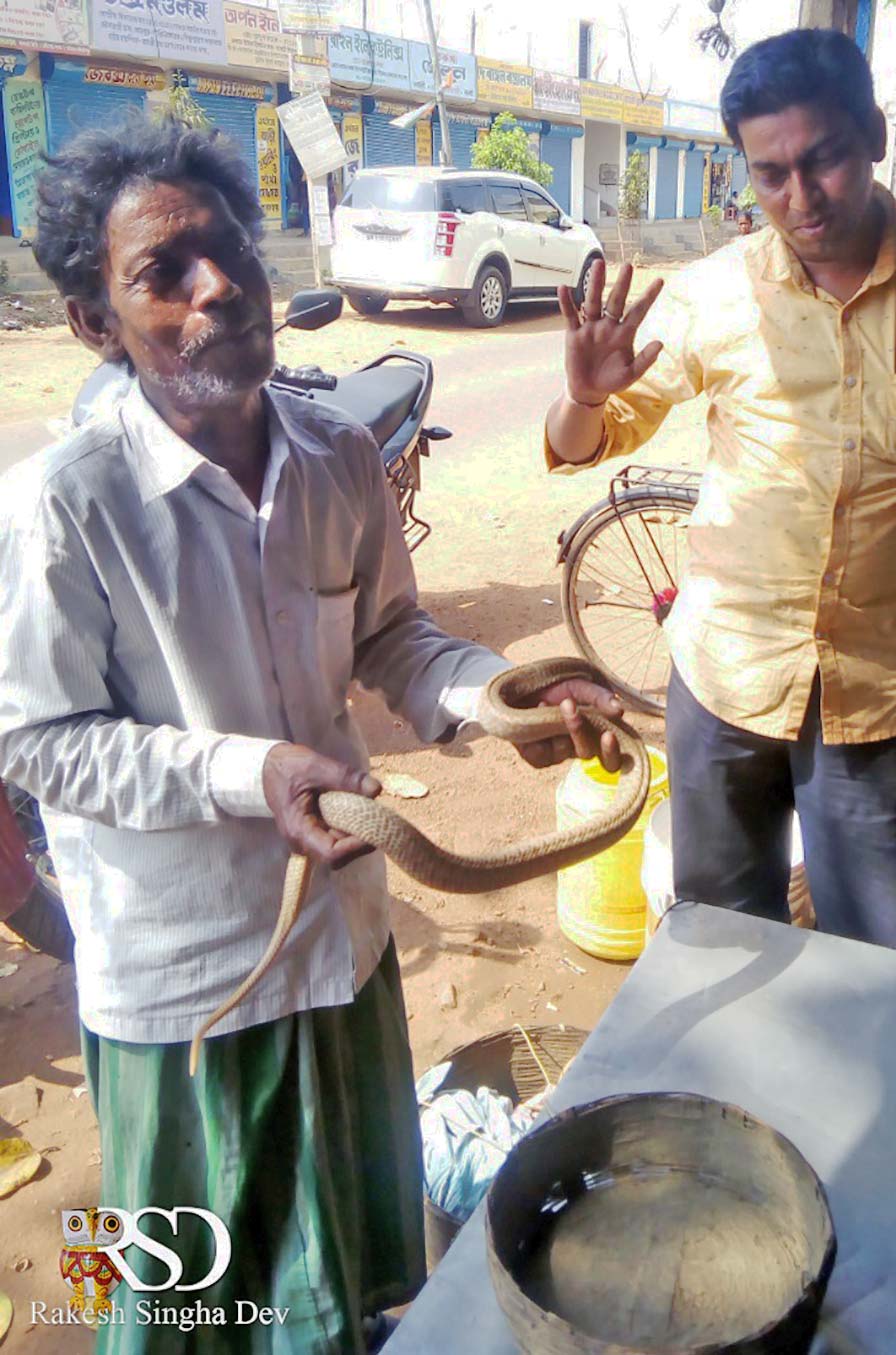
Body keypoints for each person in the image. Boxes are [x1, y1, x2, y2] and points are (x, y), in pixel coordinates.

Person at [0, 117, 620, 1354]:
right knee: (197, 1302)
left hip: (342, 945)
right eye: (161, 274)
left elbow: (394, 636)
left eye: (227, 248)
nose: (216, 285)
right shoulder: (65, 505)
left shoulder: (339, 455)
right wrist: (249, 773)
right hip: (188, 980)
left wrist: (499, 696)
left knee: (339, 1268)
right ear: (91, 322)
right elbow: (40, 741)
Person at [544, 29, 896, 960]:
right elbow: (580, 446)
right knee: (720, 944)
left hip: (881, 686)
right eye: (770, 173)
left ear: (872, 133)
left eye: (822, 158)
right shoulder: (715, 293)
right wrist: (583, 397)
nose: (800, 198)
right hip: (725, 676)